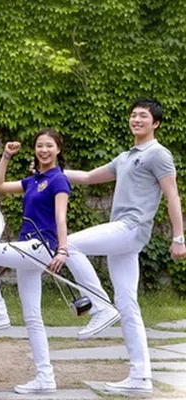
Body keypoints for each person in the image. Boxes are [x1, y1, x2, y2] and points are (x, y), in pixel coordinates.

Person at [64, 98, 186, 394]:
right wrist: (53, 172)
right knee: (128, 304)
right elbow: (89, 177)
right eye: (133, 115)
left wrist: (179, 237)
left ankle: (100, 306)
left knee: (70, 245)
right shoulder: (125, 157)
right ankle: (140, 378)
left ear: (156, 123)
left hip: (131, 228)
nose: (136, 120)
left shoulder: (158, 154)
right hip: (123, 235)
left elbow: (172, 195)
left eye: (143, 116)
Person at [0, 128, 70, 394]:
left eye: (49, 146)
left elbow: (61, 217)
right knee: (33, 317)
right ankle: (45, 378)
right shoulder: (33, 180)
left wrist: (62, 250)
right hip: (28, 249)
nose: (43, 150)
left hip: (40, 247)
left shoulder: (59, 179)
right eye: (39, 146)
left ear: (58, 149)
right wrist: (6, 156)